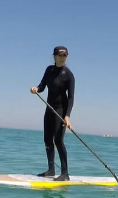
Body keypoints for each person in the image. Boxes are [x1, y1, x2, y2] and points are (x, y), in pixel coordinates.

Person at [30, 46, 75, 181]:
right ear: (54, 56)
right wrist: (36, 89)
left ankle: (65, 173)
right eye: (60, 55)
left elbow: (71, 97)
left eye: (64, 56)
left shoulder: (68, 75)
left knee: (58, 140)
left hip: (61, 111)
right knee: (47, 139)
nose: (62, 58)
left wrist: (67, 116)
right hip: (49, 109)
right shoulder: (49, 70)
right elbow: (42, 85)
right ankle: (51, 170)